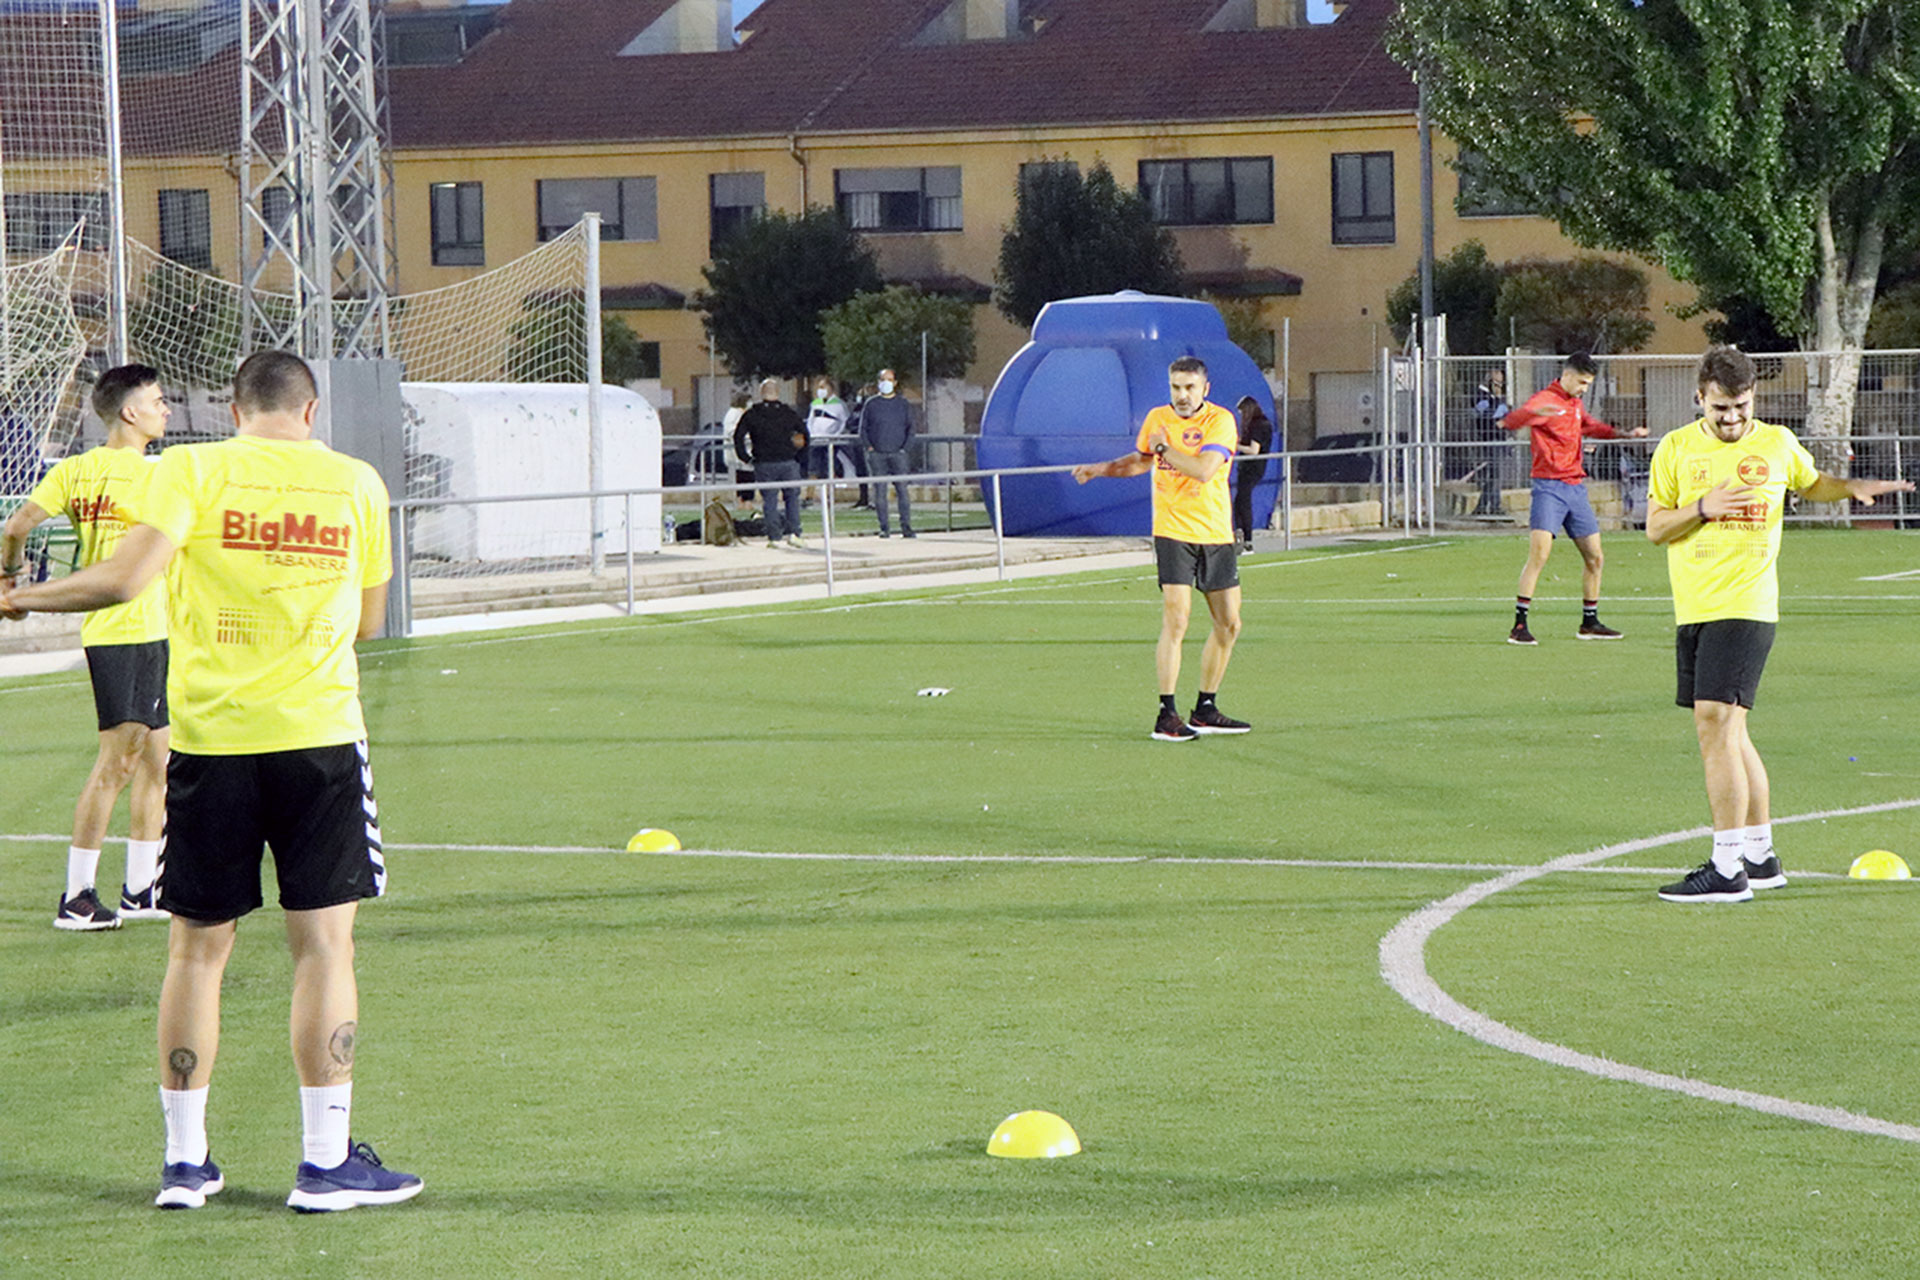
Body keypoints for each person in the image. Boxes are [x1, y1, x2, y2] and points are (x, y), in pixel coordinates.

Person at [1, 350, 422, 1212]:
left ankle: (186, 1164)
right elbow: (373, 623)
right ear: (309, 412)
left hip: (207, 747)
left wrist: (17, 601)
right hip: (319, 740)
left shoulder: (189, 468)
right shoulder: (357, 483)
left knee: (195, 951)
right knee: (324, 948)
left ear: (234, 410)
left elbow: (123, 579)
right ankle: (324, 1163)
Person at [1646, 345, 1911, 903]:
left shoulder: (1777, 443)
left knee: (1715, 723)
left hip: (1746, 605)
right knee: (1732, 734)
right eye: (1721, 407)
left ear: (1753, 399)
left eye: (1741, 406)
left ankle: (1727, 868)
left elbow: (1811, 483)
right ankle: (1762, 858)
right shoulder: (1674, 450)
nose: (1733, 418)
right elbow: (1655, 528)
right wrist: (1702, 507)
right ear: (1700, 397)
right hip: (1694, 608)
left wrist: (1850, 488)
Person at [2, 364, 172, 931]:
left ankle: (142, 888)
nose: (165, 408)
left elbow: (16, 526)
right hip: (131, 632)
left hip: (133, 632)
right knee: (117, 764)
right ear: (130, 413)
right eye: (157, 400)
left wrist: (11, 577)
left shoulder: (73, 471)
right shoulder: (158, 477)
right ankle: (76, 897)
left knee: (159, 763)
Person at [1073, 355, 1248, 742]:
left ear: (1206, 388)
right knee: (1177, 619)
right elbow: (1141, 461)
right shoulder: (1158, 419)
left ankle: (1205, 708)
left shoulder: (1220, 421)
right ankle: (1166, 714)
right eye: (1175, 387)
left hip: (1215, 532)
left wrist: (1164, 449)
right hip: (1172, 530)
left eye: (1189, 388)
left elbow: (1204, 470)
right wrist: (1100, 469)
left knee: (1230, 623)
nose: (1182, 395)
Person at [1501, 352, 1648, 645]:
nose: (1583, 388)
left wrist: (1624, 435)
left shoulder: (1575, 404)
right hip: (1549, 489)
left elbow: (1591, 427)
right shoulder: (1545, 400)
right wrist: (1513, 421)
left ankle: (1589, 623)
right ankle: (1519, 626)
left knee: (1595, 557)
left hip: (1575, 489)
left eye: (1587, 384)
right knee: (1539, 555)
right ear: (1566, 375)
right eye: (1581, 382)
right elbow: (1514, 419)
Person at [733, 378, 809, 549]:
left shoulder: (753, 413)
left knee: (770, 501)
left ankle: (774, 538)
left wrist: (745, 458)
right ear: (778, 392)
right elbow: (805, 434)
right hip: (788, 462)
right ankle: (795, 534)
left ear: (761, 394)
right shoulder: (788, 412)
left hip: (764, 463)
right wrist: (800, 456)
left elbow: (738, 436)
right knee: (792, 499)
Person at [858, 367, 918, 538]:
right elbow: (863, 429)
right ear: (878, 382)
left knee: (902, 492)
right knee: (880, 493)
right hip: (877, 455)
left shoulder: (903, 404)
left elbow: (911, 428)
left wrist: (904, 449)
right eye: (884, 380)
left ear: (895, 383)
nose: (887, 383)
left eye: (890, 380)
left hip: (898, 454)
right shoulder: (871, 404)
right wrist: (870, 447)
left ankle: (906, 527)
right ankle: (884, 527)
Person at [808, 377, 868, 507]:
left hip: (831, 442)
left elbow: (844, 422)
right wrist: (811, 434)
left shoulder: (838, 404)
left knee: (829, 469)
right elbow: (810, 420)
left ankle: (829, 496)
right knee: (813, 469)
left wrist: (835, 435)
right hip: (816, 440)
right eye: (820, 387)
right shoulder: (815, 403)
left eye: (824, 387)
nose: (821, 390)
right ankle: (810, 496)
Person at [1232, 395, 1274, 552]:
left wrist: (1235, 446)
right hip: (1249, 468)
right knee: (1239, 502)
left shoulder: (1259, 425)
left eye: (1243, 412)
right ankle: (1241, 536)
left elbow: (1253, 450)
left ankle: (1247, 540)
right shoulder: (1259, 424)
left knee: (1243, 501)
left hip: (1253, 467)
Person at [1471, 366, 1511, 516]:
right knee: (1494, 473)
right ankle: (1494, 507)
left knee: (1494, 474)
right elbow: (1488, 414)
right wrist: (1499, 404)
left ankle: (1482, 507)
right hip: (1489, 438)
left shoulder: (1493, 396)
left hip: (1497, 437)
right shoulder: (1480, 394)